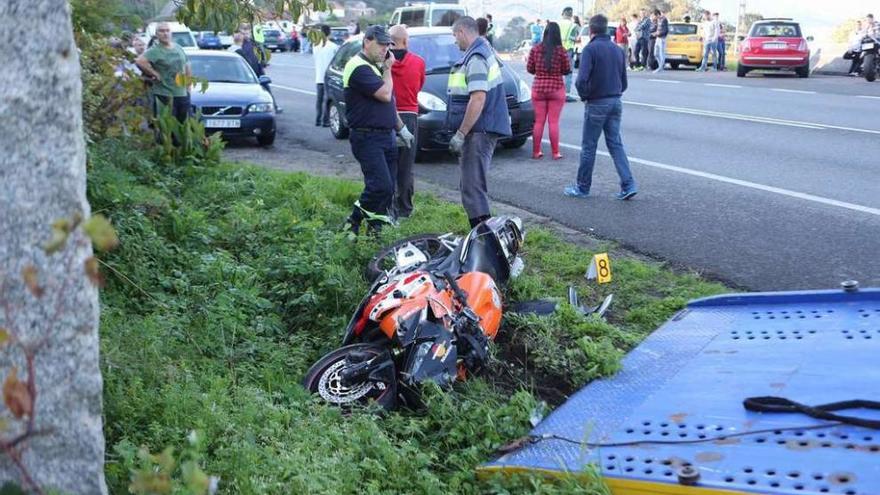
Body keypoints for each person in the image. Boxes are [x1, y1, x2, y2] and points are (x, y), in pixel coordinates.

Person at [342, 25, 414, 235]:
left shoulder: (374, 66)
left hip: (386, 136)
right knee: (380, 186)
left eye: (387, 45)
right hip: (367, 137)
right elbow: (384, 94)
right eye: (381, 45)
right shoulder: (358, 66)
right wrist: (388, 69)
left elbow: (388, 104)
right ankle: (353, 221)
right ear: (367, 41)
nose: (385, 50)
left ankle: (376, 229)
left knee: (388, 188)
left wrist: (401, 129)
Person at [447, 16, 511, 228]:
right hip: (482, 129)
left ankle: (483, 238)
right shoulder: (484, 50)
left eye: (455, 36)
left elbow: (478, 98)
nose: (455, 41)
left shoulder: (476, 58)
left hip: (478, 131)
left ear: (463, 32)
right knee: (471, 184)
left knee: (473, 186)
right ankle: (482, 236)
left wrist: (461, 133)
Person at [565, 14, 636, 201]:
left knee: (589, 146)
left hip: (597, 102)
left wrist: (585, 95)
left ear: (591, 30)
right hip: (615, 101)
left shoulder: (590, 49)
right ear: (606, 29)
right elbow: (624, 82)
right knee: (615, 144)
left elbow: (581, 80)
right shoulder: (617, 50)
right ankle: (628, 184)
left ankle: (582, 187)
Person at [389, 24, 426, 219]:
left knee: (387, 163)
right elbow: (419, 85)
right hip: (409, 116)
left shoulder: (383, 63)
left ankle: (388, 207)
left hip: (387, 114)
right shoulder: (419, 62)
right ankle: (404, 208)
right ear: (405, 40)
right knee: (406, 165)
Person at [526, 22, 571, 160]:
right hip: (556, 89)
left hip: (538, 89)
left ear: (545, 33)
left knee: (538, 122)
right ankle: (555, 152)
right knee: (553, 122)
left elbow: (530, 69)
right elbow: (566, 69)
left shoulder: (535, 49)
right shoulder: (561, 51)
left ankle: (536, 151)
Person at [136, 22, 191, 123]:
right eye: (161, 31)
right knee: (167, 128)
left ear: (171, 33)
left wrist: (188, 88)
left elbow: (186, 66)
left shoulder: (178, 47)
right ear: (157, 34)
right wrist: (154, 73)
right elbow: (140, 61)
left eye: (167, 31)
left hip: (182, 93)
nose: (165, 33)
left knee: (184, 127)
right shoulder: (155, 50)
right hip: (164, 94)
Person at [313, 25, 338, 127]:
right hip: (328, 77)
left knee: (319, 100)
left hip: (319, 76)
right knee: (327, 100)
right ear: (329, 33)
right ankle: (325, 120)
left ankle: (318, 119)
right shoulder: (333, 46)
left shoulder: (315, 46)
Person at [558, 7, 579, 101]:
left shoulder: (557, 24)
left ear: (563, 14)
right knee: (568, 72)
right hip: (568, 50)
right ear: (571, 15)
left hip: (557, 49)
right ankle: (566, 95)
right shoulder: (573, 25)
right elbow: (573, 38)